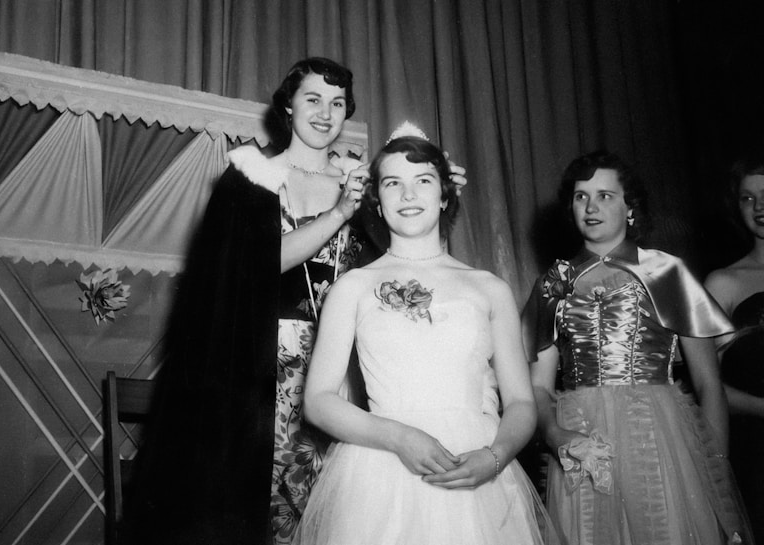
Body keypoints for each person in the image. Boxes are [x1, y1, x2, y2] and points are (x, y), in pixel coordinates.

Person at [121, 59, 465, 544]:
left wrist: (432, 193)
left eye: (338, 103)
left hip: (350, 371)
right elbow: (249, 266)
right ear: (287, 106)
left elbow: (405, 262)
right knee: (261, 508)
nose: (326, 113)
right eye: (313, 99)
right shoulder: (251, 178)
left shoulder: (365, 186)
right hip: (259, 369)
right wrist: (340, 212)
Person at [293, 129, 552, 545]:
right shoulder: (354, 286)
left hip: (479, 471)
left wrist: (495, 457)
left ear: (445, 196)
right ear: (377, 200)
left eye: (424, 182)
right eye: (393, 183)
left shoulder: (489, 288)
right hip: (380, 470)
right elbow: (319, 401)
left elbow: (521, 402)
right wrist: (400, 437)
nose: (408, 195)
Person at [523, 150, 752, 545]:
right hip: (582, 439)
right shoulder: (553, 283)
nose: (591, 207)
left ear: (631, 207)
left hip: (658, 438)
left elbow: (708, 385)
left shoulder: (665, 271)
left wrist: (715, 476)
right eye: (581, 197)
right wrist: (556, 433)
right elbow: (539, 389)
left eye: (605, 195)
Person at [705, 156, 764, 543]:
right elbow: (708, 386)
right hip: (756, 455)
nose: (759, 207)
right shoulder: (723, 283)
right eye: (747, 198)